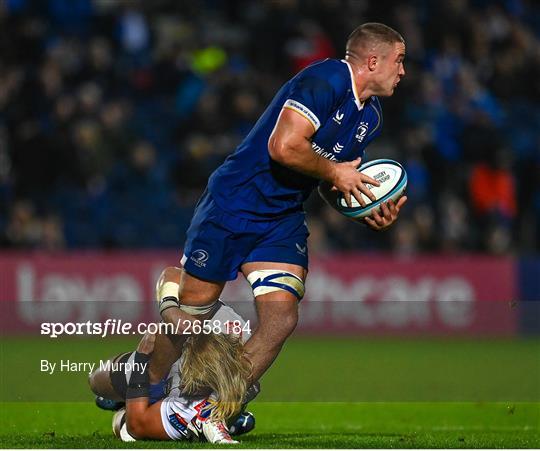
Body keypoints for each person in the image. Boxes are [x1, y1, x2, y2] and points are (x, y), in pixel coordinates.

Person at [158, 23, 408, 387]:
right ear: (373, 61)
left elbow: (331, 177)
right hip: (235, 201)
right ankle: (135, 378)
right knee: (191, 313)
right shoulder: (326, 80)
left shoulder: (370, 117)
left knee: (281, 319)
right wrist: (337, 175)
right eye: (399, 61)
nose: (403, 71)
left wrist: (365, 207)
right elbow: (284, 146)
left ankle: (211, 405)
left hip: (282, 216)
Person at [89, 303, 257, 444]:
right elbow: (171, 275)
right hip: (155, 369)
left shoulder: (189, 405)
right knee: (96, 380)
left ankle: (124, 409)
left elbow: (137, 425)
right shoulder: (224, 324)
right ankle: (122, 398)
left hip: (176, 389)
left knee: (127, 432)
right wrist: (142, 359)